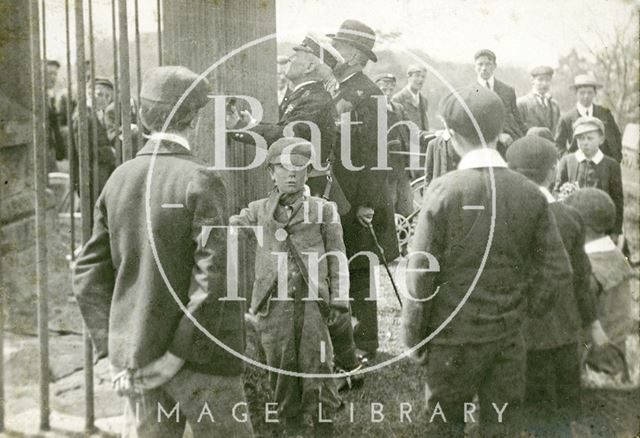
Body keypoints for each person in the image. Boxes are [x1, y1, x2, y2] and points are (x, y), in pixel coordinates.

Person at [72, 65, 252, 437]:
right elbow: (214, 280)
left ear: (141, 116)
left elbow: (87, 274)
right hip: (203, 361)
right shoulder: (201, 179)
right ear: (196, 119)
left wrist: (117, 351)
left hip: (139, 357)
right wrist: (176, 356)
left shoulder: (119, 177)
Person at [402, 85, 572, 436]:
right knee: (502, 428)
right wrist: (522, 313)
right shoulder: (529, 193)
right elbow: (557, 271)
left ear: (450, 135)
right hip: (508, 338)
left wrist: (415, 336)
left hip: (451, 340)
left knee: (443, 427)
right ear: (499, 132)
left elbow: (421, 275)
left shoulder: (444, 190)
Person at [230, 137, 344, 435]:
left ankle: (323, 426)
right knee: (279, 368)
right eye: (283, 168)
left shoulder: (324, 210)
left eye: (299, 168)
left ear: (309, 172)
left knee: (318, 365)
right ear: (271, 172)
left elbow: (338, 259)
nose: (291, 174)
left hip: (312, 305)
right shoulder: (257, 211)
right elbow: (227, 228)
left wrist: (340, 300)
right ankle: (286, 425)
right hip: (273, 305)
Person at [506, 136, 608, 436]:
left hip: (514, 333)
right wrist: (592, 324)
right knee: (556, 422)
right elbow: (580, 279)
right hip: (561, 333)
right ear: (552, 172)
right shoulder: (570, 217)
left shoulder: (501, 216)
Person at [329, 19, 400, 360]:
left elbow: (378, 155)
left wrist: (367, 202)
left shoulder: (370, 94)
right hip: (337, 194)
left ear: (355, 55)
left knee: (358, 269)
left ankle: (366, 341)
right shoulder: (337, 88)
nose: (334, 51)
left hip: (357, 199)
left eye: (340, 47)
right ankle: (348, 337)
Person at [565, 188, 635, 355]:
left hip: (594, 362)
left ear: (579, 225)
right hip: (614, 353)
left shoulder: (590, 268)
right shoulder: (615, 255)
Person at [554, 116, 624, 241]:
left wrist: (615, 231)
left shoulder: (611, 165)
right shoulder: (568, 161)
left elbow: (617, 200)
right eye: (581, 138)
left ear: (601, 139)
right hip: (573, 225)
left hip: (601, 227)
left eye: (590, 138)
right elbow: (557, 190)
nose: (585, 142)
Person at [555, 73, 622, 162]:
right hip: (577, 169)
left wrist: (614, 161)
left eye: (589, 92)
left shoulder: (605, 114)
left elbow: (616, 138)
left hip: (602, 167)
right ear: (576, 93)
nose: (586, 96)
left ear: (595, 93)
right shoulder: (567, 118)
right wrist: (569, 161)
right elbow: (558, 145)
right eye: (582, 93)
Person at [71, 77, 117, 199]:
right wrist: (110, 152)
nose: (103, 99)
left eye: (108, 96)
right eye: (99, 94)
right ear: (88, 93)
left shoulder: (98, 114)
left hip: (100, 175)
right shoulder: (83, 116)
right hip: (90, 177)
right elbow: (83, 150)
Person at [375, 72, 413, 218]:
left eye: (391, 90)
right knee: (388, 211)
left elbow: (411, 131)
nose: (388, 93)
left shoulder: (399, 108)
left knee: (407, 211)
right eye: (383, 90)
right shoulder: (373, 110)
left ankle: (404, 241)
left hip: (402, 167)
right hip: (384, 169)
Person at [473, 49, 526, 151]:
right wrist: (498, 136)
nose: (484, 68)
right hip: (483, 147)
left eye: (488, 64)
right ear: (474, 67)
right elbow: (472, 124)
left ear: (494, 66)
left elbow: (518, 121)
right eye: (480, 64)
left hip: (509, 146)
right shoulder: (470, 94)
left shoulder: (508, 91)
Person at [392, 65, 431, 177]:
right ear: (408, 77)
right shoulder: (398, 99)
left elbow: (424, 125)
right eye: (417, 76)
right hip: (408, 152)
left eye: (423, 77)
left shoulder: (423, 100)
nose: (420, 80)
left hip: (422, 150)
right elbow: (401, 131)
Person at [517, 65, 561, 133]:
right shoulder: (522, 103)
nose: (544, 83)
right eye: (540, 79)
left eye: (548, 80)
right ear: (532, 81)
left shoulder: (554, 105)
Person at [45, 59, 66, 173]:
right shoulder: (36, 97)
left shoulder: (50, 96)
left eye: (55, 74)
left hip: (50, 148)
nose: (53, 77)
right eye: (49, 73)